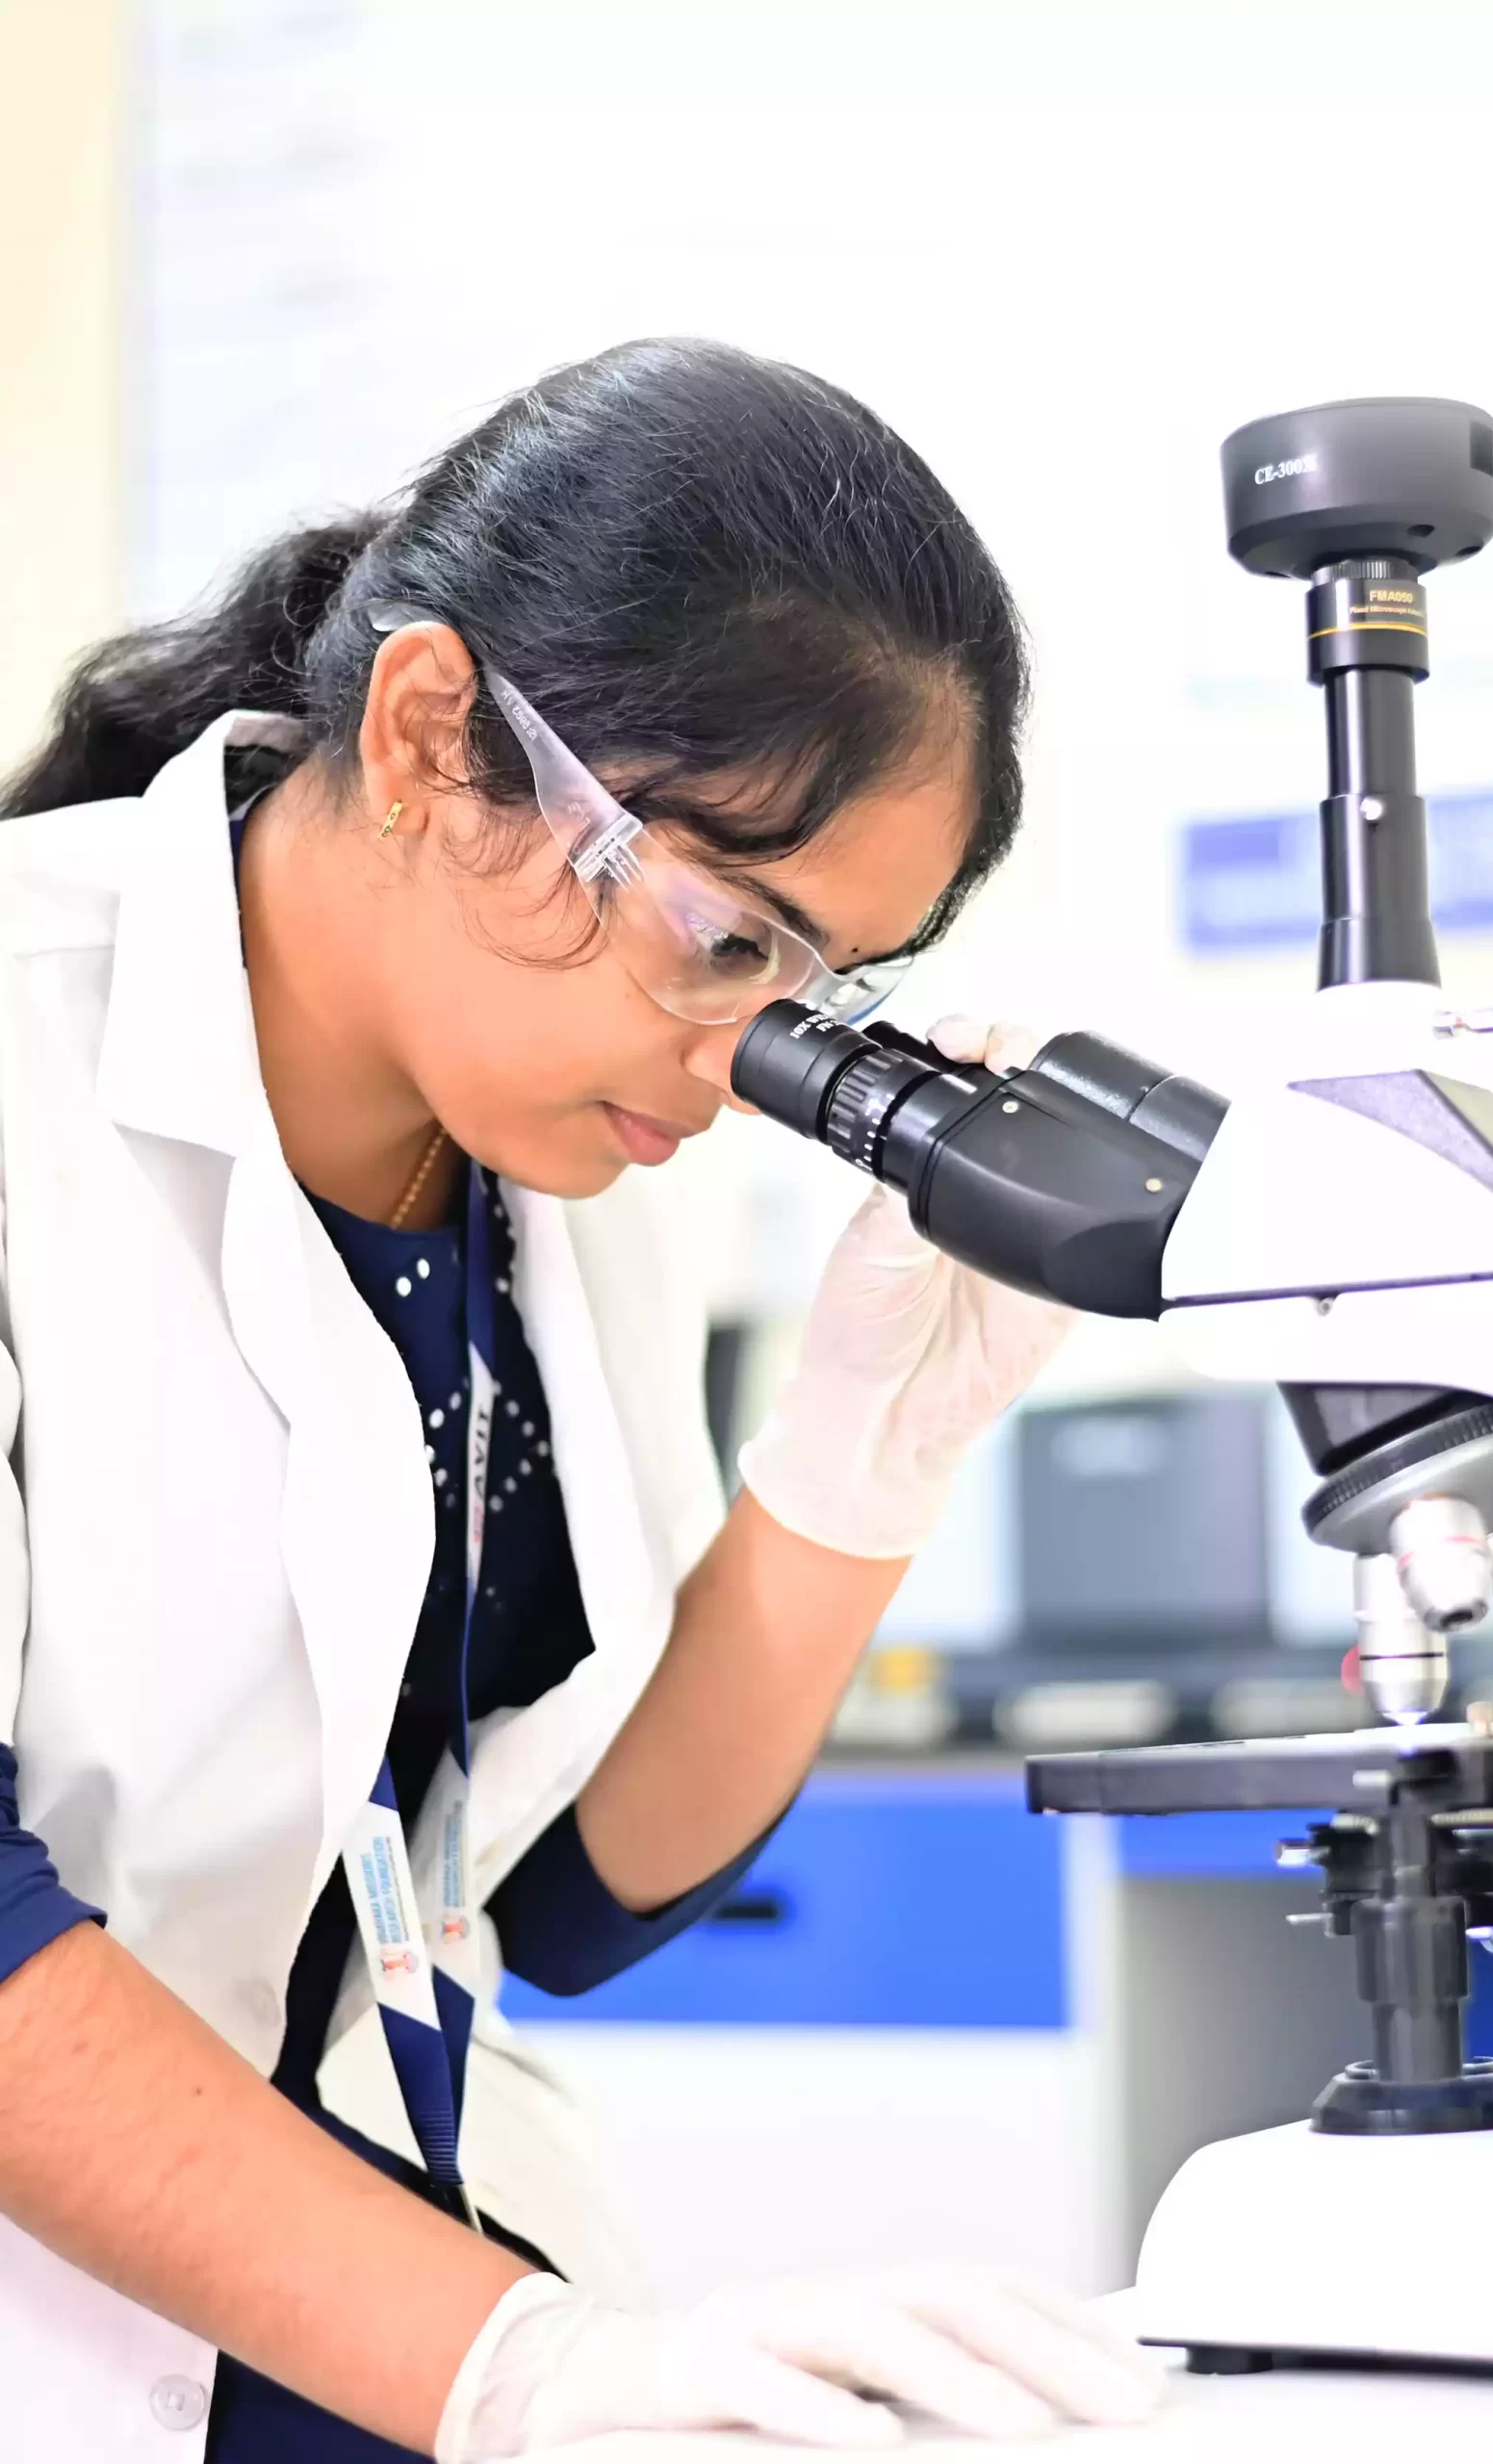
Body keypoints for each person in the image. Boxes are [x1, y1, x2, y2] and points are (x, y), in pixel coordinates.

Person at [0, 340, 1160, 2459]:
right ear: (431, 735)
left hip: (382, 2328)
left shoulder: (566, 1147)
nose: (746, 1062)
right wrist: (531, 2370)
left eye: (816, 992)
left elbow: (562, 1889)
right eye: (730, 939)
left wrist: (855, 1471)